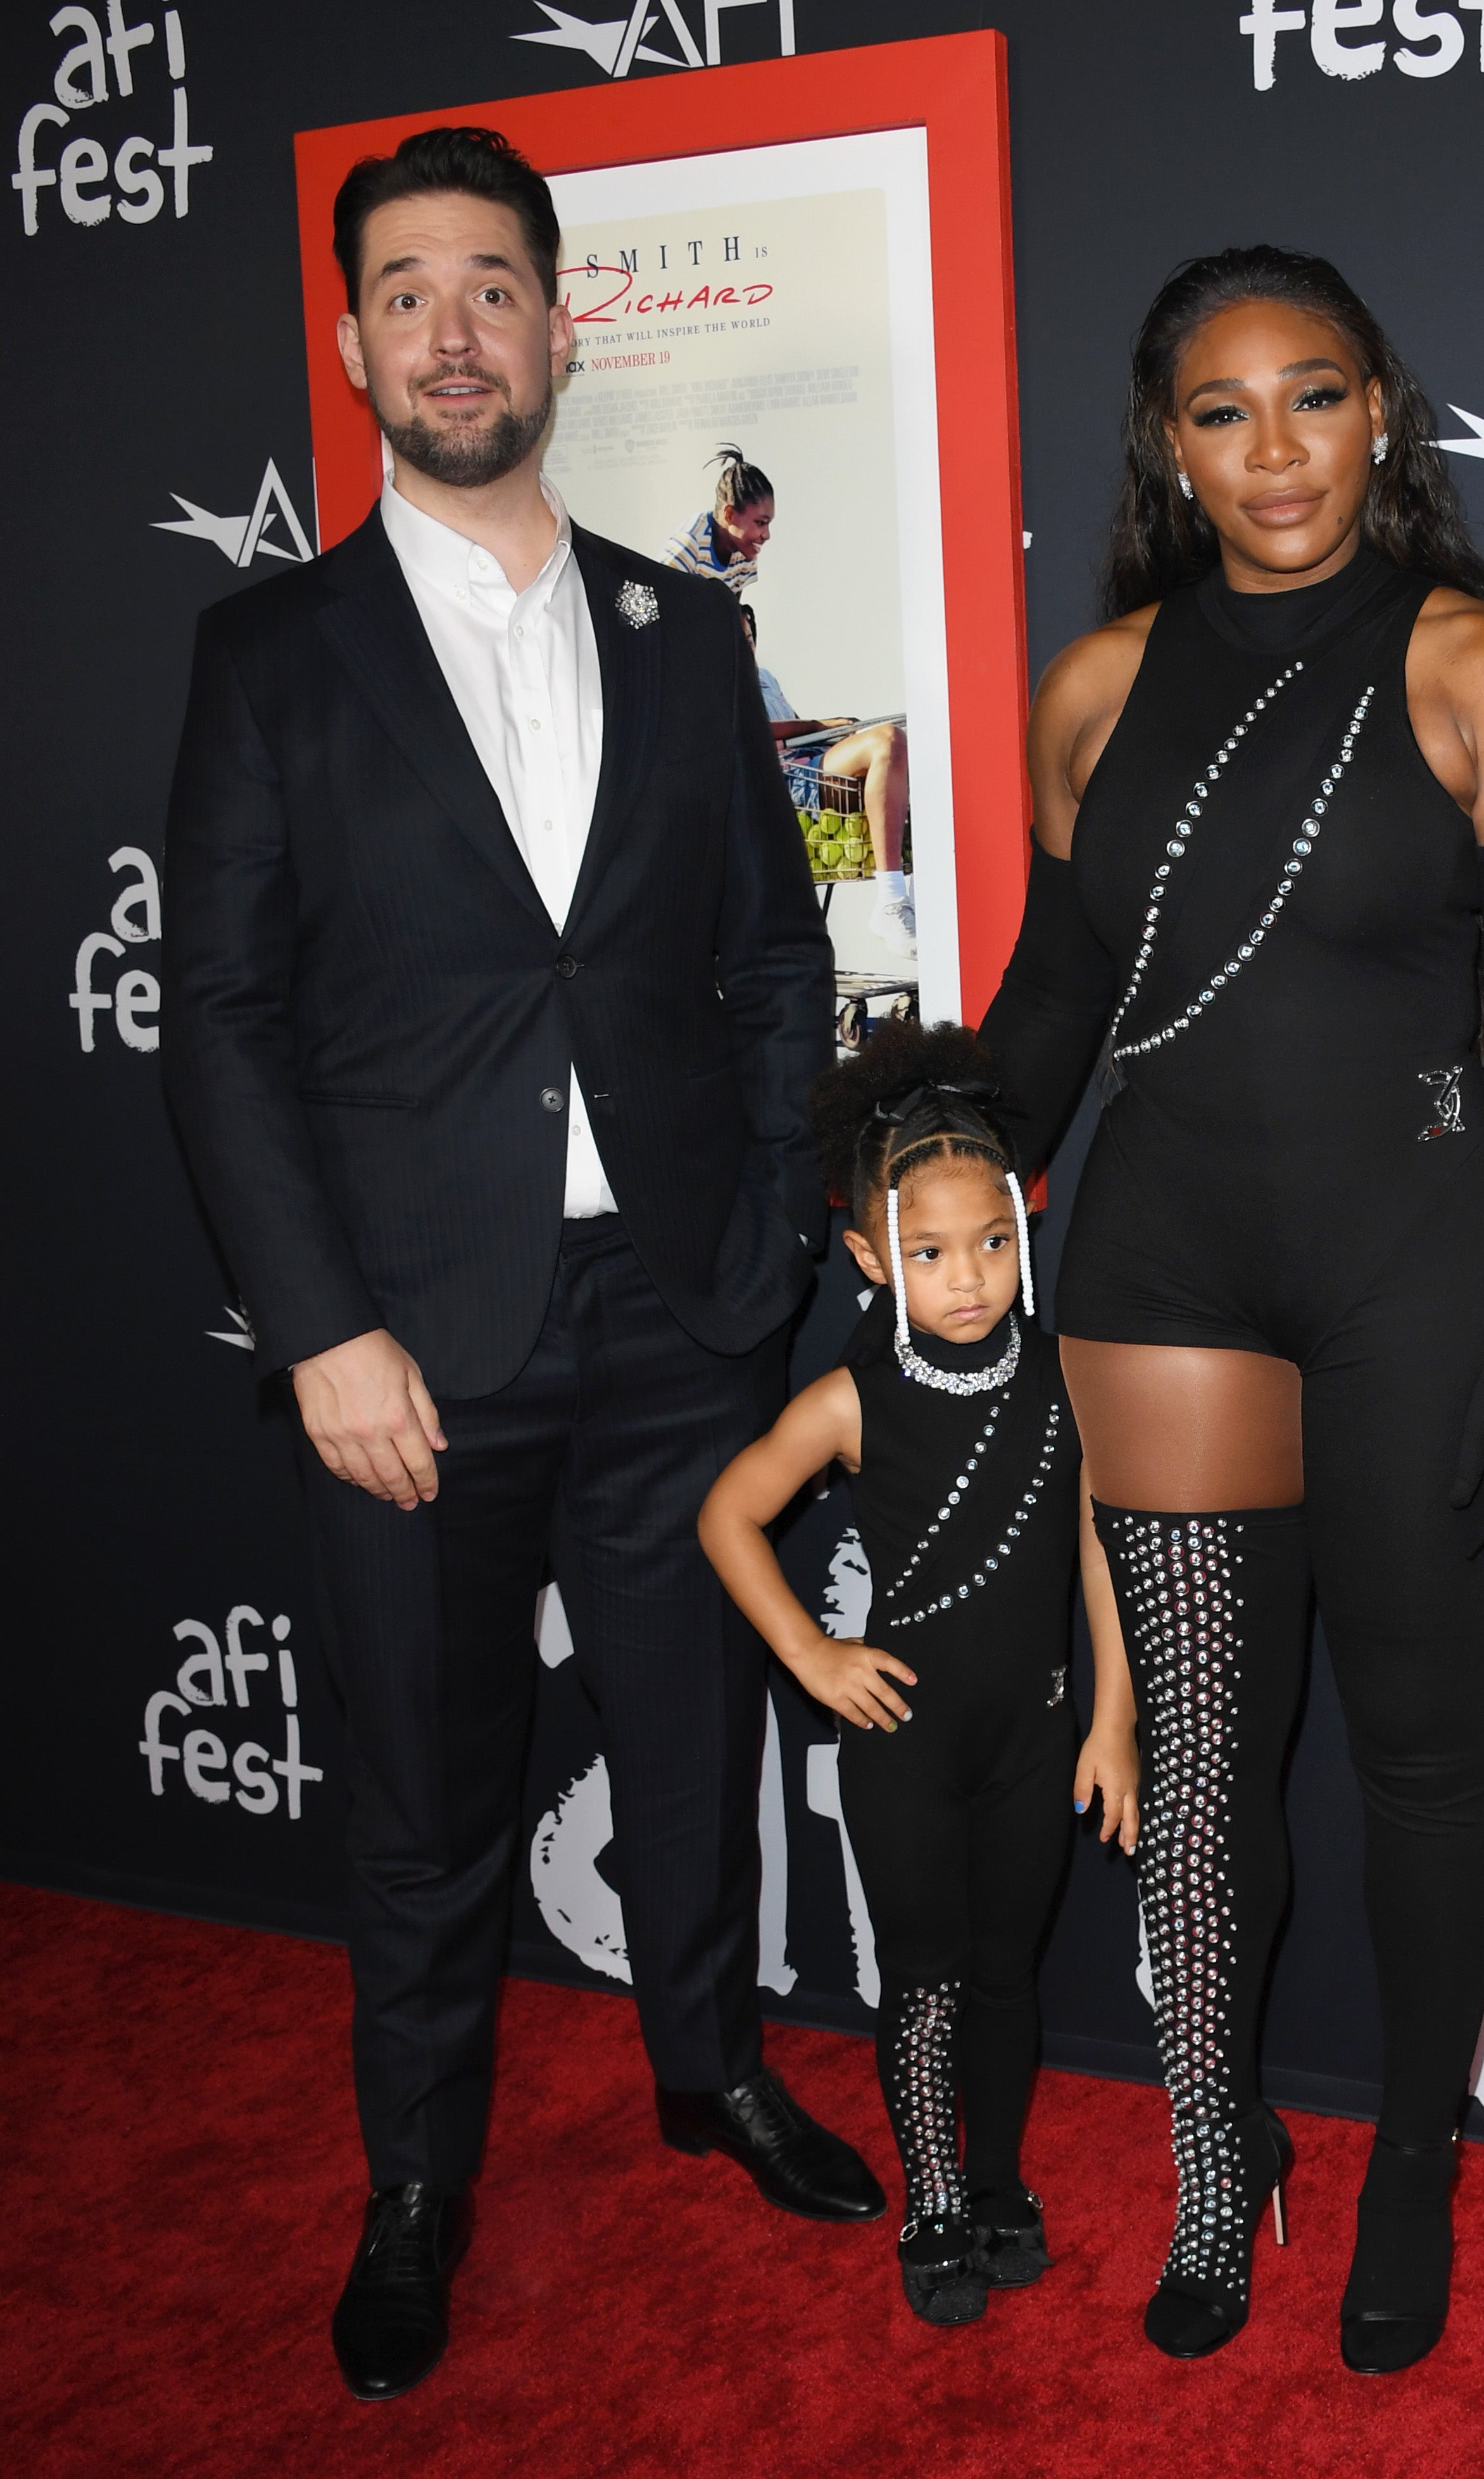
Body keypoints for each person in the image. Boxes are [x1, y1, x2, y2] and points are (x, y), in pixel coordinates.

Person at [161, 125, 884, 2406]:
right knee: (426, 1797)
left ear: (563, 328)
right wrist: (319, 1328)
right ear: (359, 340)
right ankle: (415, 2181)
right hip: (412, 1345)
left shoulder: (688, 635)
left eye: (496, 283)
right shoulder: (271, 649)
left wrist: (764, 1240)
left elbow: (776, 957)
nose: (456, 326)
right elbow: (224, 1017)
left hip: (677, 1311)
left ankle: (709, 2068)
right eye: (410, 290)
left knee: (697, 1730)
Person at [979, 246, 1484, 2374]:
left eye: (1313, 397)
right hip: (1161, 1270)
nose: (1273, 451)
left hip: (1408, 1275)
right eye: (1223, 410)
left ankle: (1412, 2158)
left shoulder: (1476, 668)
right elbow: (1053, 1010)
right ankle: (1211, 2151)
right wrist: (915, 1155)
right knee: (1201, 1757)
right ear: (1169, 441)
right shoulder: (1093, 685)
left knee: (1421, 1753)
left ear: (1379, 418)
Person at [698, 1020, 1140, 2326]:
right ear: (869, 1256)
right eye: (931, 1253)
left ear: (1022, 1226)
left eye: (993, 1241)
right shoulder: (849, 1398)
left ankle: (997, 2179)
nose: (968, 1278)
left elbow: (1102, 1555)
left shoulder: (1065, 1380)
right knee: (929, 1976)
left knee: (1009, 1974)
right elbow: (729, 1514)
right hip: (902, 1744)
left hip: (1034, 1734)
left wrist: (1111, 1722)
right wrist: (809, 1652)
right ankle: (934, 2193)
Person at [739, 603, 915, 958]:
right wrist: (820, 726)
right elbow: (748, 729)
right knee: (887, 741)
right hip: (782, 788)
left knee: (915, 749)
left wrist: (836, 735)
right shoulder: (709, 683)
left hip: (806, 766)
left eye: (748, 638)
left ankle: (918, 897)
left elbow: (792, 727)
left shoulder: (764, 678)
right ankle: (892, 900)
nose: (745, 647)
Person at [662, 441, 774, 595]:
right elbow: (656, 597)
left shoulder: (745, 552)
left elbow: (730, 610)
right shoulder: (690, 545)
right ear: (730, 515)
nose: (767, 535)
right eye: (760, 523)